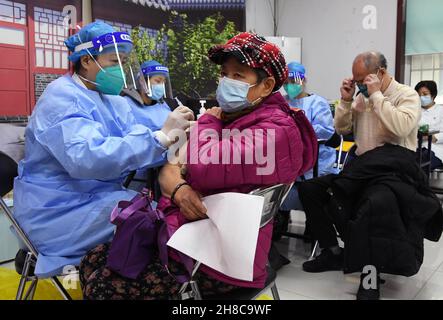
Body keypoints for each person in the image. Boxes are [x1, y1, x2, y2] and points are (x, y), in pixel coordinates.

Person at [79, 32, 317, 300]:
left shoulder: (275, 131)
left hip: (220, 259)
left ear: (266, 85)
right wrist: (179, 182)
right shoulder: (241, 117)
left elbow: (201, 166)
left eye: (239, 75)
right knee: (94, 258)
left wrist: (207, 123)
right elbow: (172, 167)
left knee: (103, 286)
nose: (227, 82)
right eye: (225, 73)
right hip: (194, 235)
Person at [13, 21, 194, 278]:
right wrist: (159, 138)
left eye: (123, 62)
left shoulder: (112, 100)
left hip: (94, 197)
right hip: (57, 208)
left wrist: (175, 146)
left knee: (154, 215)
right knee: (153, 223)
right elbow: (87, 158)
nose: (120, 70)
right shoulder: (61, 97)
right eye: (113, 61)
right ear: (87, 60)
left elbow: (131, 143)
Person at [298, 52, 442, 300]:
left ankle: (370, 278)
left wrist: (376, 96)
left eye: (363, 80)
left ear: (382, 73)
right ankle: (333, 251)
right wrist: (345, 101)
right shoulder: (361, 97)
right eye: (356, 80)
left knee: (373, 206)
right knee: (310, 190)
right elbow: (342, 130)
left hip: (394, 170)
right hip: (362, 166)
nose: (359, 85)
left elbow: (401, 128)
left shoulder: (406, 95)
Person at [275, 62, 338, 239]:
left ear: (304, 80)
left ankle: (315, 226)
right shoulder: (282, 103)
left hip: (316, 167)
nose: (290, 85)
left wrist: (297, 131)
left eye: (294, 80)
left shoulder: (318, 103)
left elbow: (325, 131)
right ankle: (280, 222)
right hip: (289, 166)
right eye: (286, 81)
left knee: (313, 208)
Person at [122, 60, 172, 131]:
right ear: (142, 81)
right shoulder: (126, 105)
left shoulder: (162, 105)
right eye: (158, 81)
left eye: (163, 82)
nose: (161, 86)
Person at [415, 80, 443, 167]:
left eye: (425, 94)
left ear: (433, 95)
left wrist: (433, 137)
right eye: (419, 95)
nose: (421, 97)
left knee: (422, 162)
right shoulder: (414, 111)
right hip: (416, 147)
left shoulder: (440, 111)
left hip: (435, 149)